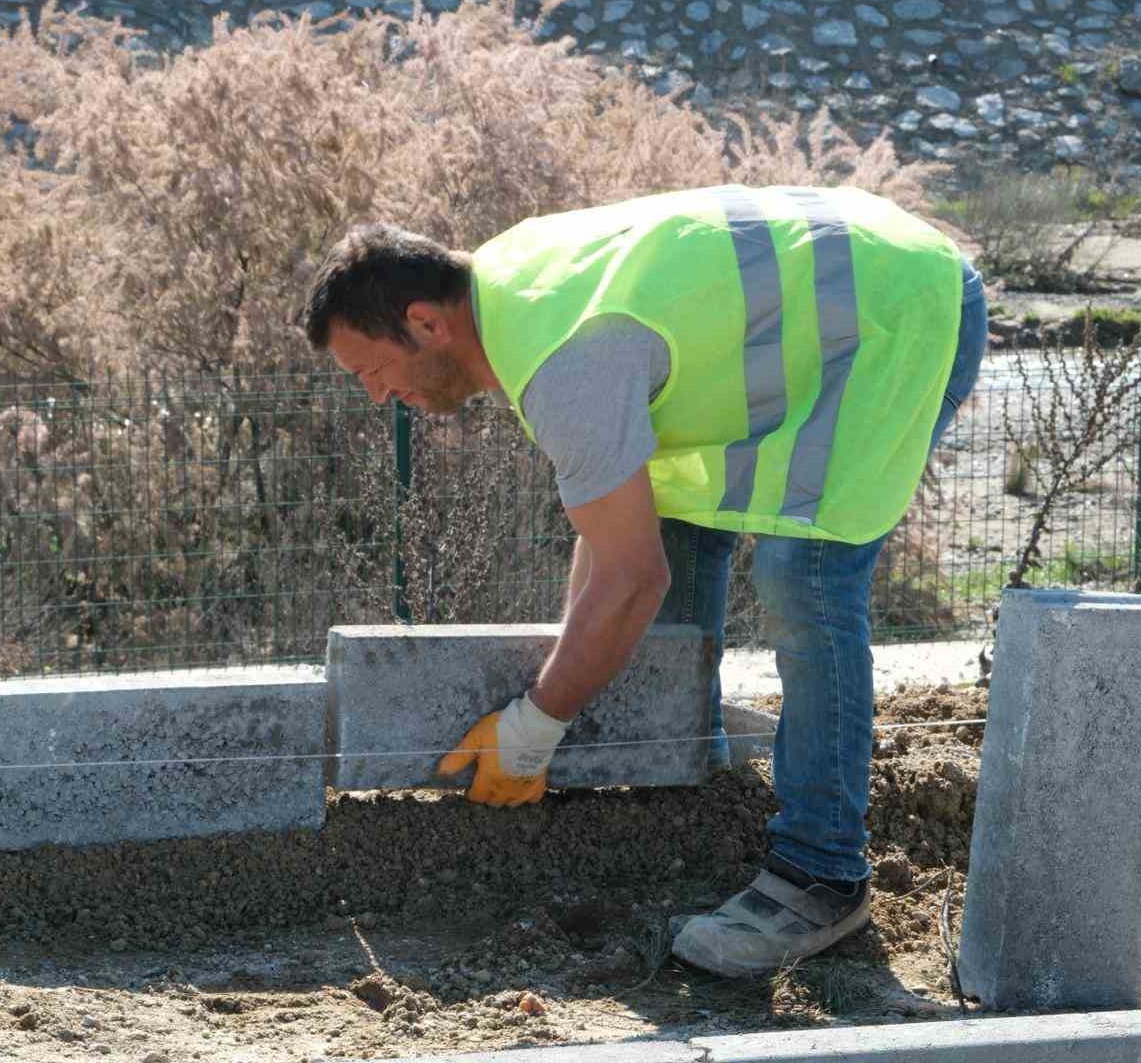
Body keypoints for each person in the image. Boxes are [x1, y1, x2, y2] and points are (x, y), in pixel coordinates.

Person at [301, 184, 988, 979]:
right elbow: (616, 540)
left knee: (807, 573)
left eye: (374, 370)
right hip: (836, 300)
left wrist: (537, 722)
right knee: (678, 517)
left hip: (897, 308)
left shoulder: (563, 360)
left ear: (426, 322)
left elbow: (630, 581)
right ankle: (693, 781)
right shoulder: (511, 286)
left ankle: (821, 874)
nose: (379, 395)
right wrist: (558, 685)